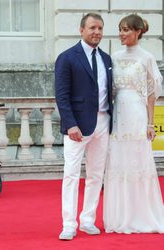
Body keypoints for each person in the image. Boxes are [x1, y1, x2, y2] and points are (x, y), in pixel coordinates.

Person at [103, 14, 164, 233]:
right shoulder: (114, 57)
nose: (121, 34)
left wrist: (150, 123)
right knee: (120, 164)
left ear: (138, 31)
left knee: (138, 164)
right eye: (120, 29)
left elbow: (151, 95)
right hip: (118, 116)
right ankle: (122, 216)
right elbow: (108, 91)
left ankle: (143, 215)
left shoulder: (147, 57)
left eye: (126, 29)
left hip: (137, 115)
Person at [55, 13, 113, 240]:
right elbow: (61, 95)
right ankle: (68, 224)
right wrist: (70, 124)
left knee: (96, 175)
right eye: (92, 28)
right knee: (71, 174)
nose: (96, 32)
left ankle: (88, 219)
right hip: (77, 126)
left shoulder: (106, 59)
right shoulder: (67, 57)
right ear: (81, 30)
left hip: (103, 121)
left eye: (100, 28)